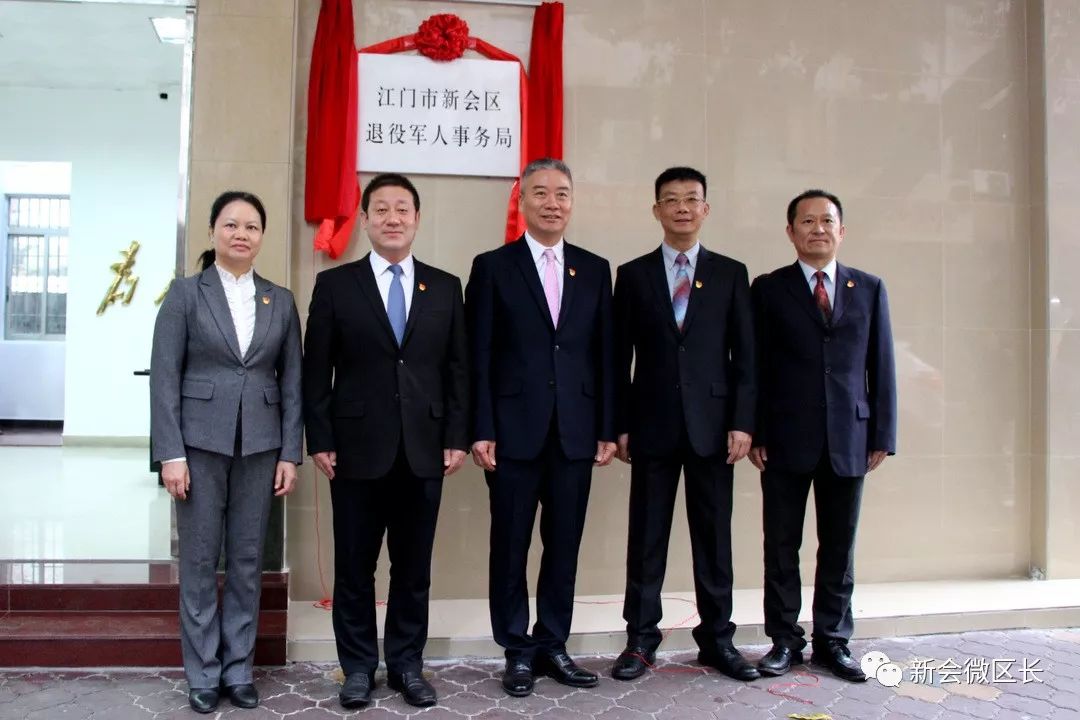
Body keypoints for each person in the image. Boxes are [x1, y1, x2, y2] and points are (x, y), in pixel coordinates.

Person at [303, 173, 469, 709]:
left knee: (413, 568)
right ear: (366, 219)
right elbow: (315, 372)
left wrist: (457, 436)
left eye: (402, 209)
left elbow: (457, 369)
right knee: (355, 567)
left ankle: (405, 664)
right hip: (354, 449)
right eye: (381, 209)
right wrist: (320, 437)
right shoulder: (335, 285)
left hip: (425, 448)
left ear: (416, 219)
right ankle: (357, 668)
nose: (392, 218)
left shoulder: (444, 287)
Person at [465, 157, 616, 698]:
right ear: (522, 201)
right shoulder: (492, 267)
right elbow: (476, 355)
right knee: (509, 545)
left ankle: (553, 642)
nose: (552, 203)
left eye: (562, 193)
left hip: (575, 431)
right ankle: (517, 650)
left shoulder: (595, 269)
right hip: (511, 433)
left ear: (572, 202)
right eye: (541, 193)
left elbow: (605, 356)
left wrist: (606, 427)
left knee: (564, 545)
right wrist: (480, 426)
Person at [150, 190, 303, 714]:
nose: (242, 234)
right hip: (198, 446)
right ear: (213, 231)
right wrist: (170, 453)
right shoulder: (185, 295)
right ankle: (203, 673)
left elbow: (293, 385)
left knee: (245, 560)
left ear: (262, 236)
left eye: (252, 226)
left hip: (261, 447)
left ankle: (238, 669)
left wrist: (290, 452)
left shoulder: (279, 300)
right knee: (197, 560)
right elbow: (164, 379)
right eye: (232, 224)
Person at [611, 167, 758, 682]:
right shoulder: (631, 275)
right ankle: (640, 641)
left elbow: (747, 358)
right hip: (651, 426)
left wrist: (743, 422)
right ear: (656, 210)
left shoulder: (731, 273)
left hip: (715, 430)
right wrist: (620, 423)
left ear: (705, 209)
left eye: (691, 200)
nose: (681, 208)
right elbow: (617, 359)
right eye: (670, 200)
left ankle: (718, 641)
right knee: (645, 538)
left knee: (714, 539)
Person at [749, 189, 896, 682]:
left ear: (842, 230)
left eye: (826, 221)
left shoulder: (869, 288)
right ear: (790, 231)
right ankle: (785, 640)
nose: (817, 229)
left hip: (850, 438)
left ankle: (834, 641)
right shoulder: (768, 289)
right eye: (806, 221)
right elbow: (755, 367)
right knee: (781, 545)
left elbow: (882, 366)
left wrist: (882, 433)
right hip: (785, 439)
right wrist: (758, 431)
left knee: (839, 546)